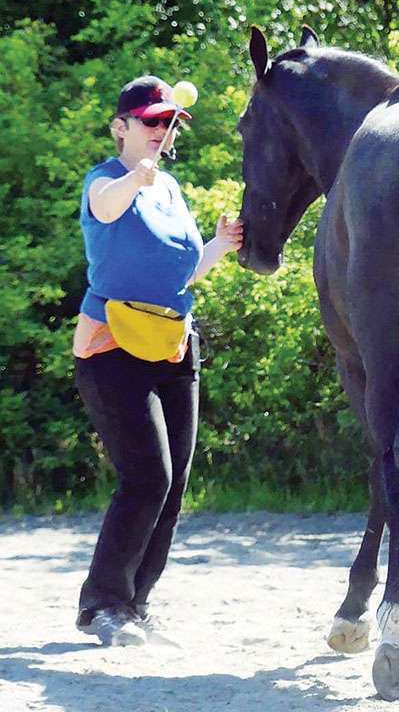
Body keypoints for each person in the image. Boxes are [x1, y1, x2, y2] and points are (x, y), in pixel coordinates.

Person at [72, 75, 243, 647]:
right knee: (148, 477)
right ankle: (102, 606)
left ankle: (136, 605)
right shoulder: (105, 180)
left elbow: (180, 272)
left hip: (173, 343)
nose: (161, 131)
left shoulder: (169, 188)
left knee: (172, 488)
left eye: (166, 123)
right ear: (121, 127)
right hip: (112, 345)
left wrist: (217, 247)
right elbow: (106, 206)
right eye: (149, 121)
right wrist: (135, 178)